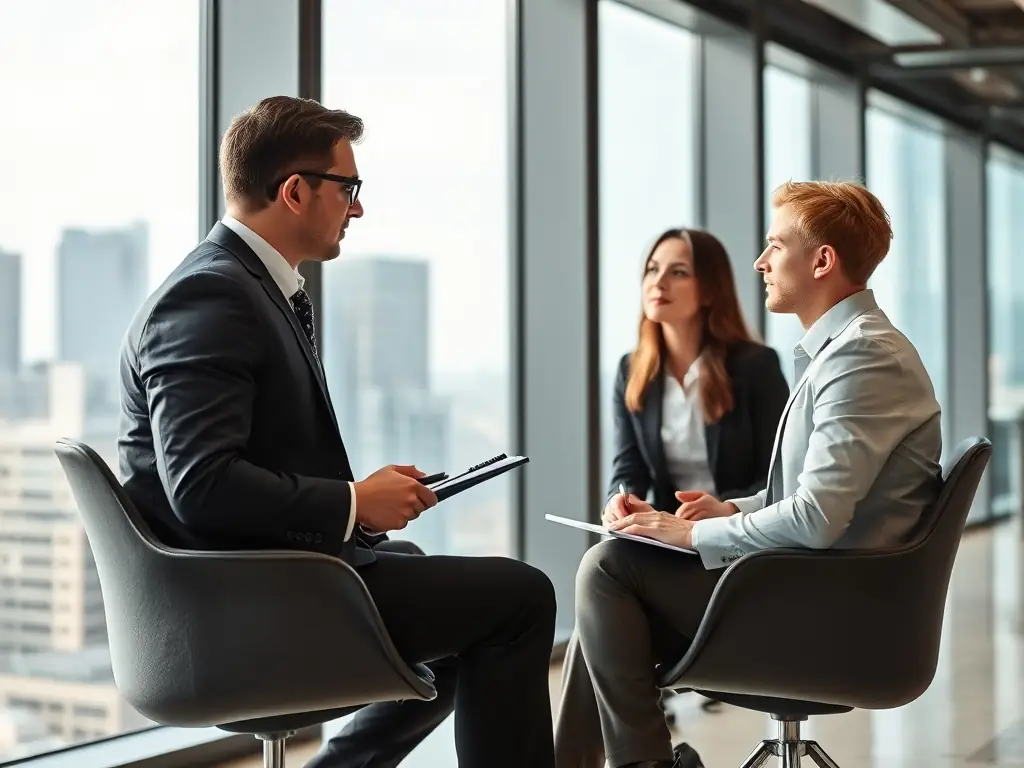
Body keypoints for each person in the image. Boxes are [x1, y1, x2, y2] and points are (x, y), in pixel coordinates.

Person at [117, 95, 557, 768]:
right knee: (519, 598)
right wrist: (352, 501)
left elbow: (242, 465)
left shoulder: (244, 287)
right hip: (233, 613)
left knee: (445, 588)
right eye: (349, 188)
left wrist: (365, 510)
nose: (357, 208)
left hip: (256, 584)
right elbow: (202, 488)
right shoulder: (212, 296)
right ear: (295, 191)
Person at [555, 180, 943, 768]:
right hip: (811, 582)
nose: (760, 261)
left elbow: (814, 518)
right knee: (608, 578)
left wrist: (690, 535)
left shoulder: (864, 356)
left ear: (821, 261)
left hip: (835, 606)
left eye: (774, 245)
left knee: (608, 571)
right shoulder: (840, 352)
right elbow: (803, 492)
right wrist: (729, 510)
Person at [555, 227, 788, 764]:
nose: (658, 281)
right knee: (603, 585)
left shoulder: (754, 367)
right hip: (669, 549)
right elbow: (626, 470)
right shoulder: (632, 371)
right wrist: (623, 502)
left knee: (600, 588)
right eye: (652, 269)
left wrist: (717, 510)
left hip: (738, 551)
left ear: (709, 290)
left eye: (677, 270)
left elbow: (779, 482)